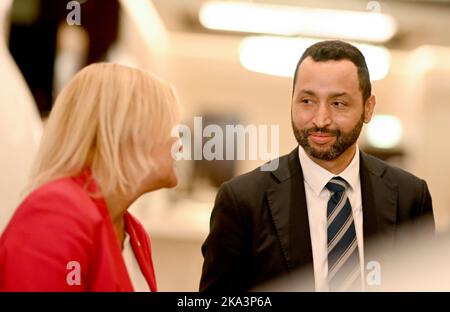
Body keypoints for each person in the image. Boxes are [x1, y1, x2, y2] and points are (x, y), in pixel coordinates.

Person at [200, 40, 433, 292]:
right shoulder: (242, 200)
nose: (320, 120)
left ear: (368, 108)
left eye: (338, 104)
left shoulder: (410, 197)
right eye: (307, 101)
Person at [0, 63, 180, 291]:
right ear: (126, 133)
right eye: (169, 129)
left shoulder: (134, 233)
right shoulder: (56, 213)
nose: (179, 144)